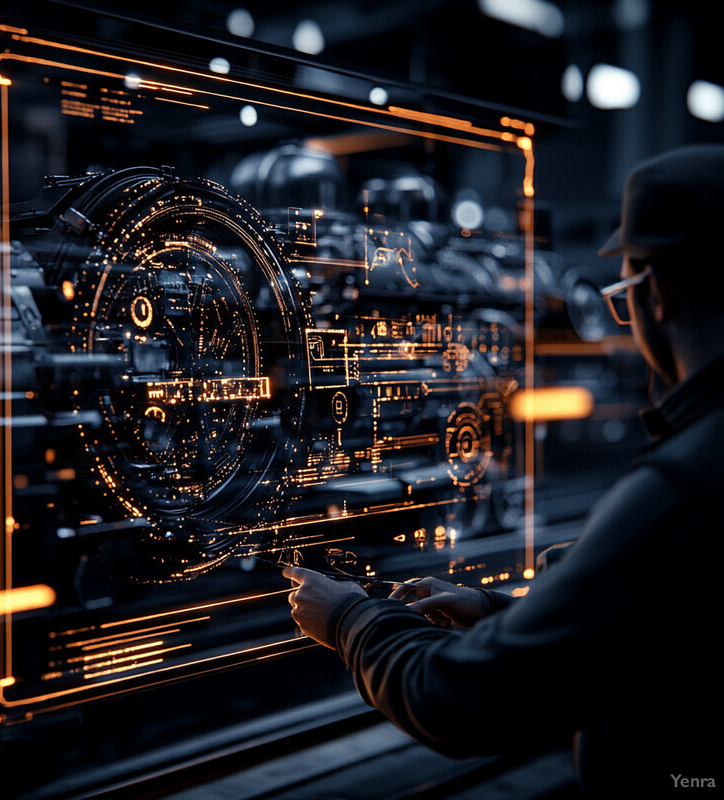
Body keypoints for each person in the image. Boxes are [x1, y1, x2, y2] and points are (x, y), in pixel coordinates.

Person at [284, 144, 724, 796]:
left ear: (655, 293)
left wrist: (351, 621)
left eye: (625, 296)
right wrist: (498, 612)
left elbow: (463, 698)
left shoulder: (682, 484)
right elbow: (651, 620)